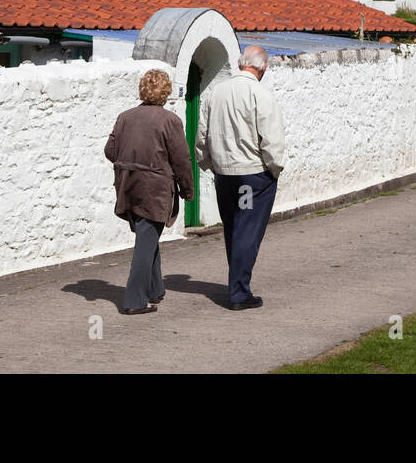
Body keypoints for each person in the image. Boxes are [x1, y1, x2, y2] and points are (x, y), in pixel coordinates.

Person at [195, 45, 285, 311]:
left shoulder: (215, 93)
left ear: (240, 63)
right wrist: (274, 169)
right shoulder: (261, 95)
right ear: (263, 67)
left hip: (224, 174)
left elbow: (202, 135)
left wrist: (209, 163)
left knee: (234, 228)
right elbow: (272, 140)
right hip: (252, 174)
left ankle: (238, 284)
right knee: (247, 230)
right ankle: (238, 291)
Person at [104, 69, 194, 315]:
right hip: (154, 188)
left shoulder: (125, 117)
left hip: (127, 185)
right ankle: (134, 300)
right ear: (165, 92)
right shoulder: (169, 120)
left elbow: (110, 150)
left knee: (147, 236)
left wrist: (130, 162)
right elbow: (181, 160)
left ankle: (155, 289)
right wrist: (187, 189)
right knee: (146, 241)